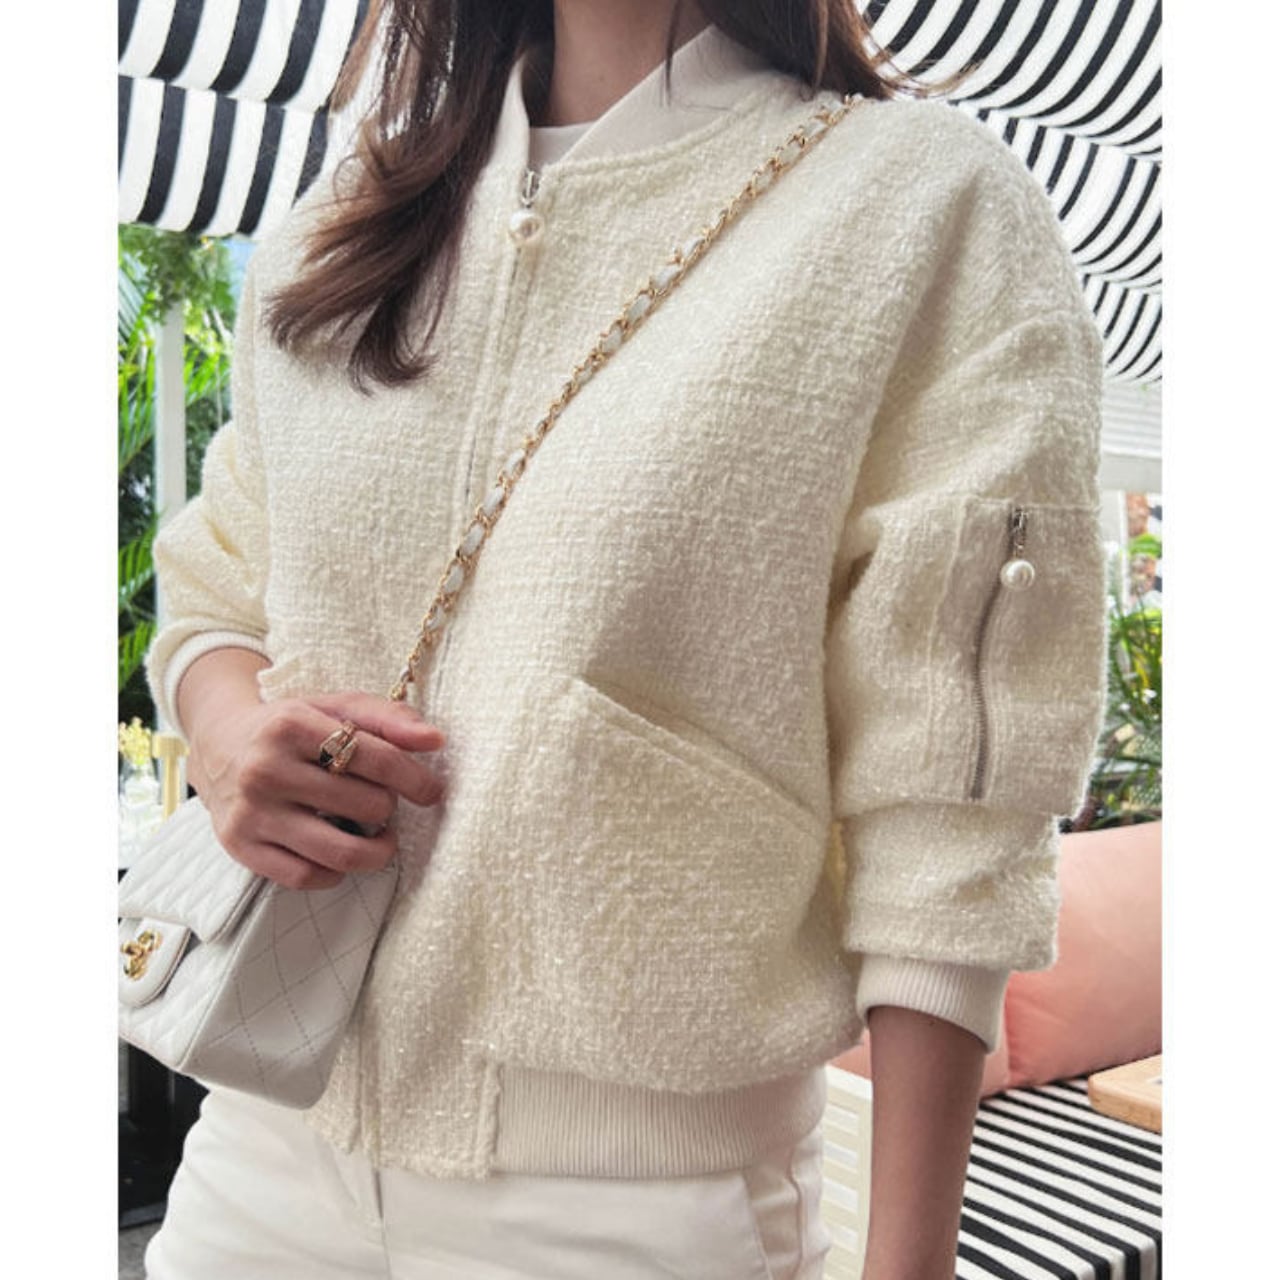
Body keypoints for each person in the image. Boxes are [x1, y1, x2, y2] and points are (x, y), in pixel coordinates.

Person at [142, 1, 1108, 1276]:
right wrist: (226, 734)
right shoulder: (346, 213)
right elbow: (216, 585)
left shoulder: (918, 203)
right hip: (262, 1152)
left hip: (640, 1202)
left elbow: (951, 794)